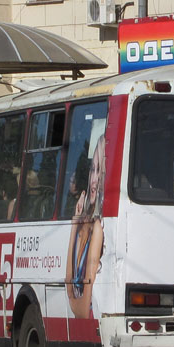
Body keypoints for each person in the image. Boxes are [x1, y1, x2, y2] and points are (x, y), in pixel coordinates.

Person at [66, 135, 105, 319]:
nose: (95, 180)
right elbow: (69, 282)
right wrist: (76, 221)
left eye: (101, 172)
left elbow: (80, 309)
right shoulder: (86, 224)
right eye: (93, 170)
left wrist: (75, 225)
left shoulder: (97, 227)